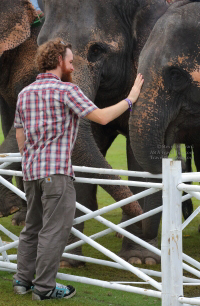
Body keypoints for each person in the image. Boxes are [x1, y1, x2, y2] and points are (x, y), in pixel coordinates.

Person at [13, 37, 144, 301]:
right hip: (56, 174)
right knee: (54, 230)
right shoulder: (66, 91)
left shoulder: (25, 93)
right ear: (58, 61)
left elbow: (19, 134)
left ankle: (22, 281)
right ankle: (45, 288)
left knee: (32, 228)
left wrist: (29, 158)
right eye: (70, 61)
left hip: (31, 173)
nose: (73, 67)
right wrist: (131, 98)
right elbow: (103, 117)